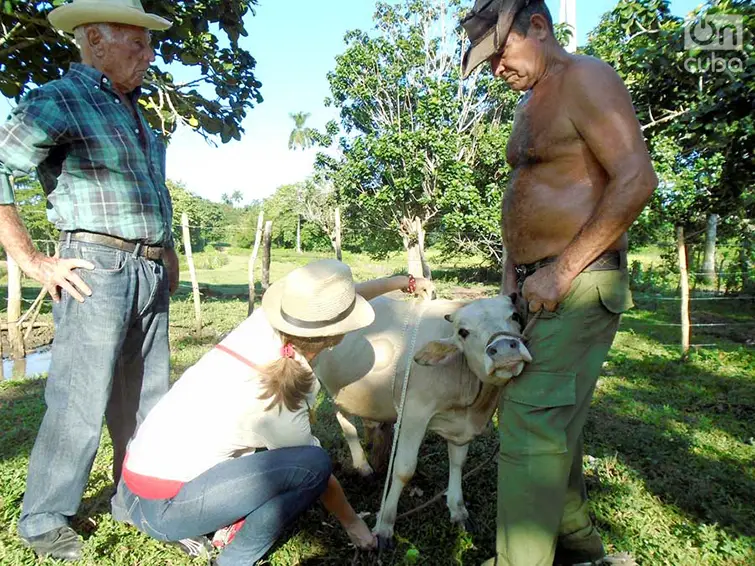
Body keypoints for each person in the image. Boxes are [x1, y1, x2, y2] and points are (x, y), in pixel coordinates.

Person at [460, 1, 658, 565]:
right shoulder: (532, 102)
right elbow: (529, 199)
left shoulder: (585, 78)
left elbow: (636, 179)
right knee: (554, 431)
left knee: (528, 422)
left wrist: (562, 269)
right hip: (536, 288)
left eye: (501, 53)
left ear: (540, 28)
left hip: (580, 282)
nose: (496, 68)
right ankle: (580, 550)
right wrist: (511, 282)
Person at [0, 0, 181, 560]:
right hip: (94, 269)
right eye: (137, 43)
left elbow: (150, 192)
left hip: (149, 271)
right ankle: (43, 518)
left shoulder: (134, 113)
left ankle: (138, 499)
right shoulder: (60, 99)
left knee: (149, 398)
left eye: (149, 45)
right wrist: (33, 260)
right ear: (96, 41)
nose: (149, 56)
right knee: (80, 397)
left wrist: (166, 252)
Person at [113, 260, 432, 566]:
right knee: (314, 466)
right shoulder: (285, 396)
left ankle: (219, 520)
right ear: (335, 338)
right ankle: (236, 558)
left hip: (135, 480)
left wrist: (402, 283)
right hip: (162, 508)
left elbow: (342, 302)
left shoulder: (266, 324)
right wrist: (354, 525)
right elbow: (321, 479)